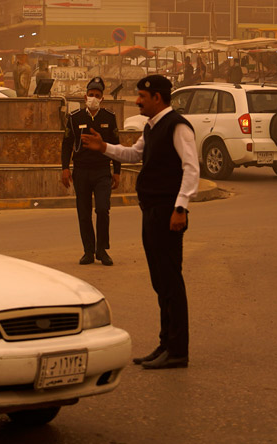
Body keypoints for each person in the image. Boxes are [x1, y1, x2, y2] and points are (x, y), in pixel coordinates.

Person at [81, 74, 198, 370]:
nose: (137, 101)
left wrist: (180, 208)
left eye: (142, 98)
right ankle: (165, 344)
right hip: (151, 211)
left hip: (168, 212)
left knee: (171, 280)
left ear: (157, 98)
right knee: (160, 281)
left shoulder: (178, 126)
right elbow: (134, 153)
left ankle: (178, 350)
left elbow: (191, 169)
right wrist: (104, 147)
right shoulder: (152, 126)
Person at [61, 77, 121, 266]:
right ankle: (88, 251)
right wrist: (64, 168)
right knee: (84, 213)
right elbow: (67, 144)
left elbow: (116, 145)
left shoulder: (109, 118)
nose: (93, 98)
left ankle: (101, 250)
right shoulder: (75, 117)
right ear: (85, 96)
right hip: (81, 171)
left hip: (102, 171)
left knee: (103, 209)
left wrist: (117, 171)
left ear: (102, 98)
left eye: (97, 95)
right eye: (91, 94)